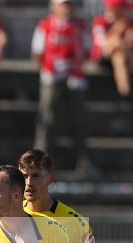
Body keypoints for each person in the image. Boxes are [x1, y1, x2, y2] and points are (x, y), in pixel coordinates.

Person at [31, 0, 97, 177]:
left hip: (76, 77)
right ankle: (38, 163)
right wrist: (50, 68)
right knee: (46, 119)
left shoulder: (80, 27)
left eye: (69, 4)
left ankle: (83, 161)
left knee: (79, 120)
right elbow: (37, 53)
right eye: (63, 4)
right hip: (51, 75)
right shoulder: (45, 26)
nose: (66, 7)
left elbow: (88, 51)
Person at [90, 0, 133, 99]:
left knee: (119, 57)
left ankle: (125, 94)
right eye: (123, 7)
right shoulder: (100, 21)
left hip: (121, 55)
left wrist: (129, 35)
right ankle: (126, 94)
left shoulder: (126, 22)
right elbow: (101, 44)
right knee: (116, 42)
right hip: (103, 56)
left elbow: (130, 42)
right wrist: (117, 29)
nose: (126, 10)